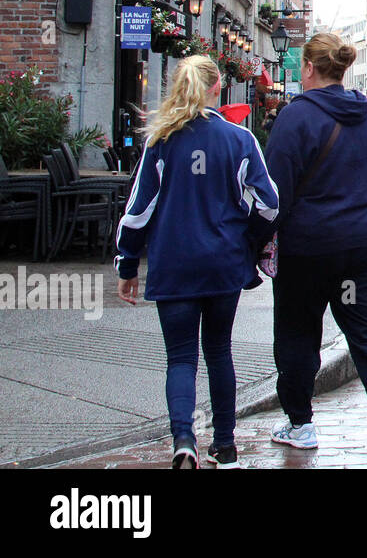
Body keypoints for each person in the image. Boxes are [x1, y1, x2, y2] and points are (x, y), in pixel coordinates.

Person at [259, 33, 367, 468]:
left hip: (309, 248)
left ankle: (300, 423)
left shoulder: (296, 117)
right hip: (364, 244)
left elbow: (275, 192)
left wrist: (255, 244)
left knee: (299, 332)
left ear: (310, 69)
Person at [114, 55, 279, 468]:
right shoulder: (240, 140)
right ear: (218, 86)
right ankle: (225, 444)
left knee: (181, 358)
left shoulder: (161, 140)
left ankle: (184, 439)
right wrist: (249, 241)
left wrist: (128, 264)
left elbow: (138, 211)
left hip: (175, 263)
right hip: (223, 263)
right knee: (219, 351)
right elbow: (270, 204)